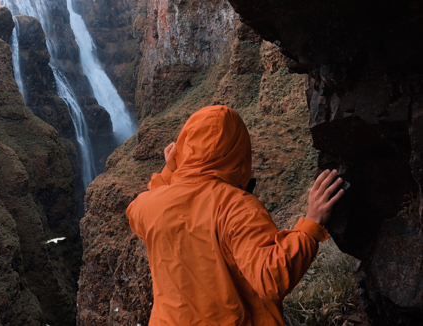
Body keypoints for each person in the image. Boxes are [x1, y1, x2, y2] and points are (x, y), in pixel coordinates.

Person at [126, 105, 344, 326]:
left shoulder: (147, 205)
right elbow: (270, 279)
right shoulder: (239, 208)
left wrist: (170, 171)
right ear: (239, 151)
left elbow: (137, 213)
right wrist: (311, 224)